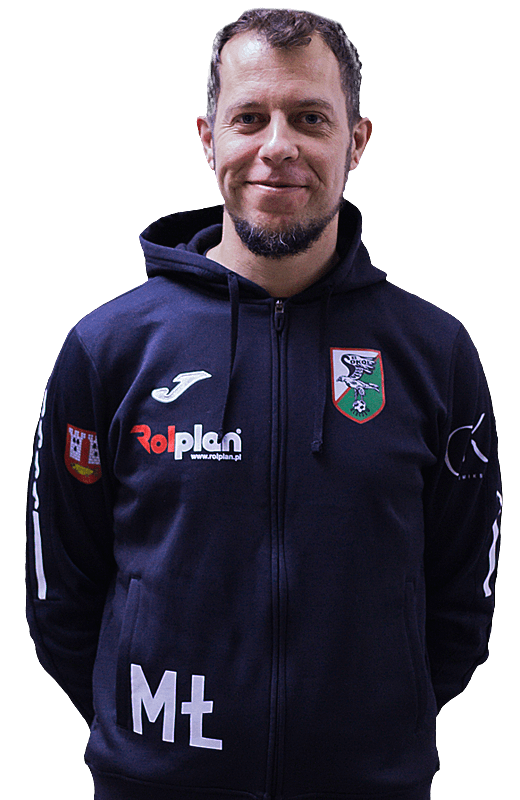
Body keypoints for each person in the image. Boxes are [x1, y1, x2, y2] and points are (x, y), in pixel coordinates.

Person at [26, 8, 501, 800]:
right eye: (250, 117)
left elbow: (463, 597)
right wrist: (153, 743)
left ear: (356, 142)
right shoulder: (106, 348)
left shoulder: (435, 352)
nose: (278, 146)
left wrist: (373, 734)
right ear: (209, 139)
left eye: (311, 118)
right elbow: (60, 594)